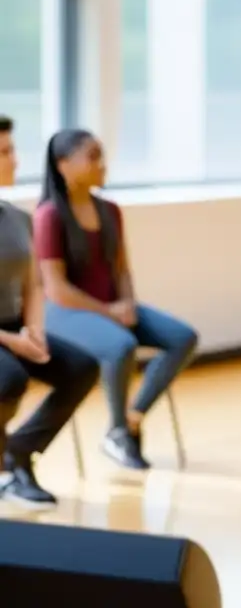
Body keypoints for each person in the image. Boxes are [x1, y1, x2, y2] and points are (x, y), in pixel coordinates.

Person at [33, 129, 198, 471]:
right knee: (120, 346)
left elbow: (122, 269)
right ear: (63, 165)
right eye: (92, 156)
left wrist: (127, 303)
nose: (102, 165)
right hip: (64, 312)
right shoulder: (49, 216)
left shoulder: (110, 210)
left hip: (110, 307)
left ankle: (130, 420)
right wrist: (109, 311)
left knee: (183, 337)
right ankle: (119, 432)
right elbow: (56, 288)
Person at [0, 116, 98, 508]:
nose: (16, 160)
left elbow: (34, 284)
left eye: (12, 150)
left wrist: (35, 330)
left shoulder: (17, 218)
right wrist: (15, 344)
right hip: (7, 339)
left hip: (17, 327)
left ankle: (18, 453)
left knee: (81, 367)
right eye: (5, 152)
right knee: (9, 378)